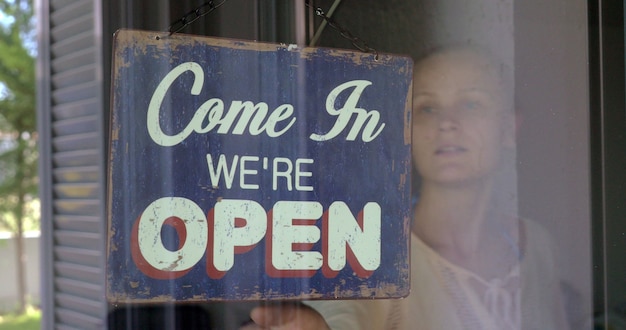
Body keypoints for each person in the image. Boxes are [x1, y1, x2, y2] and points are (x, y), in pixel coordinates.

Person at [241, 45, 570, 330]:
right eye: (427, 108)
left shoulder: (537, 245)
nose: (447, 122)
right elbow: (342, 317)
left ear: (510, 129)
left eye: (471, 104)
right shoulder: (368, 251)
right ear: (407, 131)